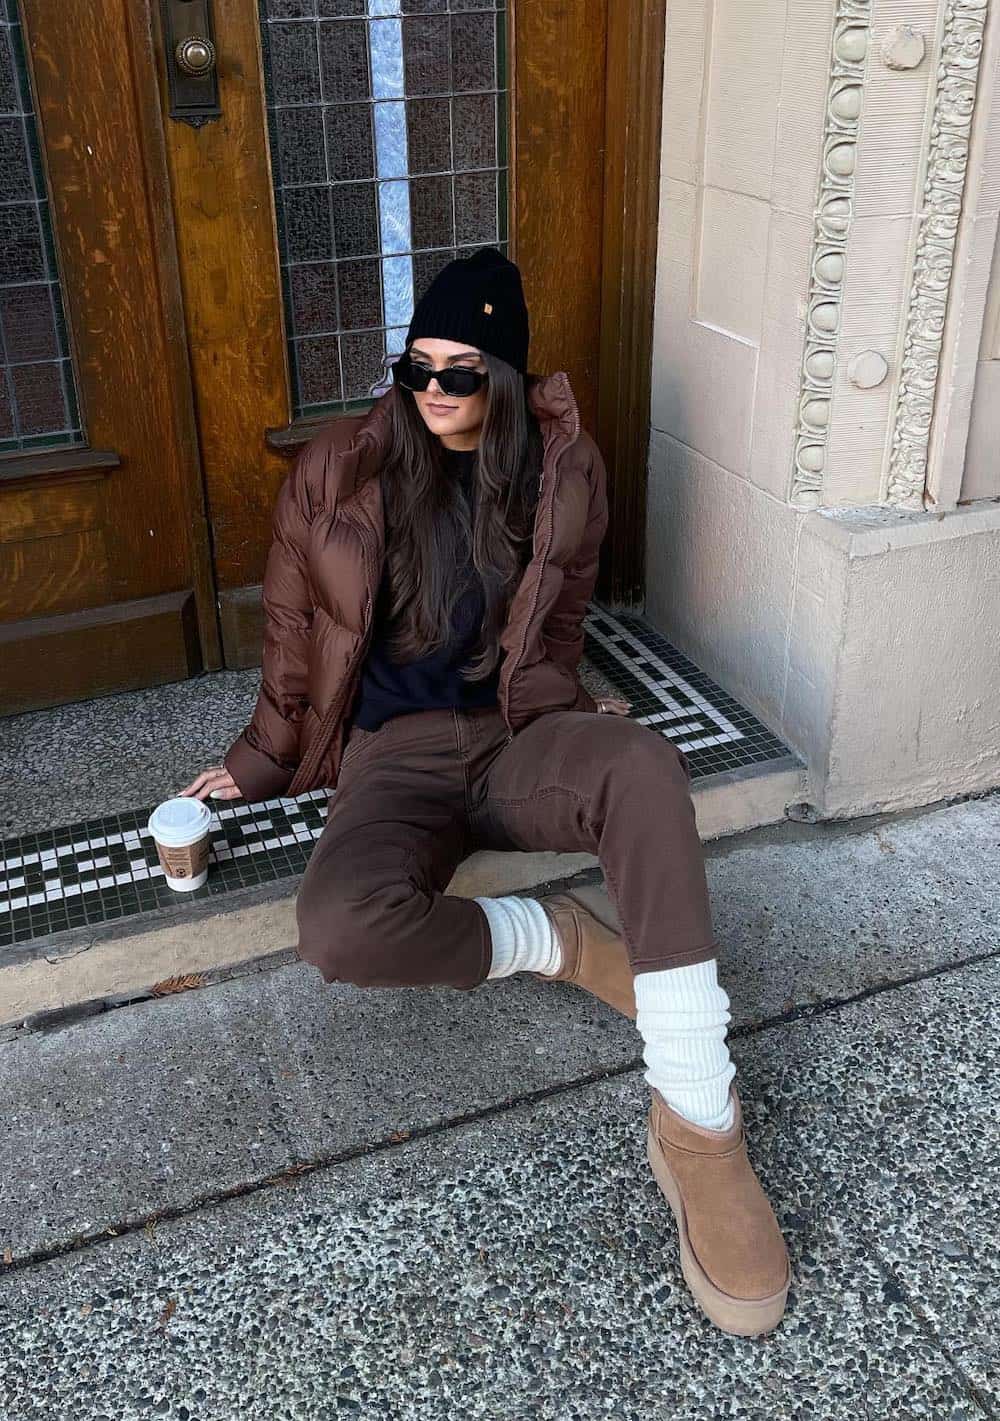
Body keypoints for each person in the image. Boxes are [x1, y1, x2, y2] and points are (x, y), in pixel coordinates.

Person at [179, 246, 790, 1335]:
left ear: (503, 377)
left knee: (644, 763)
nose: (432, 394)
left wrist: (575, 701)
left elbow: (558, 619)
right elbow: (288, 627)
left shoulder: (564, 469)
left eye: (460, 373)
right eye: (415, 367)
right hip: (393, 751)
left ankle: (699, 1119)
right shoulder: (339, 468)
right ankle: (558, 937)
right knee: (338, 926)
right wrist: (267, 756)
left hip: (515, 732)